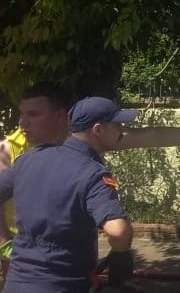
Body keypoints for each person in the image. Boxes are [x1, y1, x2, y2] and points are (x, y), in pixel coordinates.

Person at [0, 82, 180, 277]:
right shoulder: (10, 150)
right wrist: (5, 246)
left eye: (32, 114)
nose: (22, 123)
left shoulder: (82, 141)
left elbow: (151, 136)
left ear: (61, 116)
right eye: (22, 114)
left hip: (74, 260)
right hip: (23, 257)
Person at [0, 96, 140, 292]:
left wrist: (4, 242)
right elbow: (118, 231)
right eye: (116, 125)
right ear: (98, 130)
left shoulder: (28, 159)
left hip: (17, 284)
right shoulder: (93, 173)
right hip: (63, 284)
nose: (121, 131)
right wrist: (121, 254)